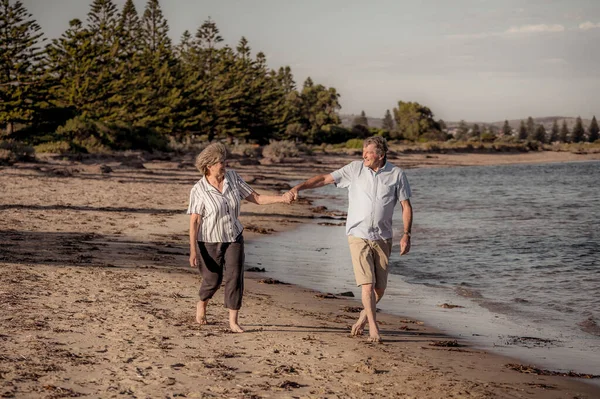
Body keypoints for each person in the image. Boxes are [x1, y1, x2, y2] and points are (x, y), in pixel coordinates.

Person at [288, 136, 412, 342]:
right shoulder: (355, 169)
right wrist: (298, 187)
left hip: (383, 237)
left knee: (380, 288)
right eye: (363, 151)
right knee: (367, 284)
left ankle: (364, 316)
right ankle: (374, 328)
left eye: (368, 152)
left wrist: (406, 234)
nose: (363, 155)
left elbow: (406, 206)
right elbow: (324, 179)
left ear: (380, 155)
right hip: (358, 235)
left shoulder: (396, 174)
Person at [187, 143, 293, 333]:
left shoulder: (233, 178)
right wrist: (193, 249)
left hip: (233, 236)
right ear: (209, 166)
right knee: (213, 280)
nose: (224, 164)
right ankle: (202, 302)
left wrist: (282, 199)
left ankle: (233, 321)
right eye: (221, 162)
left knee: (235, 277)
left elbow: (257, 198)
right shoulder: (199, 189)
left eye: (224, 160)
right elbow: (194, 221)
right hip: (209, 240)